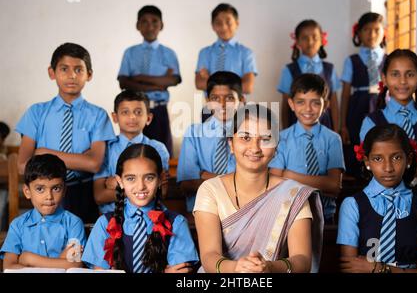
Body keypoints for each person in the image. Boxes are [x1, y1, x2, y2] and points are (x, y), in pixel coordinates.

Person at [194, 104, 324, 273]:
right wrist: (237, 268)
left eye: (265, 139)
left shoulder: (293, 194)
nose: (255, 148)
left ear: (276, 147)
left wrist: (269, 267)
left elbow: (302, 260)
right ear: (231, 144)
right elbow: (209, 255)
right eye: (245, 138)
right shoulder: (210, 190)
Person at [16, 43, 115, 223]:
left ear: (89, 74)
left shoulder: (98, 115)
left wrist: (43, 153)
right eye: (64, 69)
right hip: (45, 192)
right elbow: (23, 165)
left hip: (83, 193)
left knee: (80, 246)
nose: (72, 75)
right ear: (51, 72)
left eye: (79, 69)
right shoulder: (36, 113)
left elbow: (94, 164)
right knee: (47, 245)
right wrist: (79, 159)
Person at [360, 49, 417, 224]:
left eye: (409, 74)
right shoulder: (371, 121)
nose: (402, 81)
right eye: (395, 74)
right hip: (382, 200)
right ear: (384, 79)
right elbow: (369, 166)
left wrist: (395, 166)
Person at [337, 124, 417, 273]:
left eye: (397, 157)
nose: (388, 168)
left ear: (409, 159)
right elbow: (350, 268)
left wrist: (379, 268)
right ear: (367, 162)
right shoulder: (352, 206)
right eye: (378, 158)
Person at [82, 144, 198, 273]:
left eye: (149, 178)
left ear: (160, 179)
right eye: (131, 178)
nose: (141, 186)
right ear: (120, 181)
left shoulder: (176, 223)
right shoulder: (104, 224)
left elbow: (181, 272)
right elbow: (100, 271)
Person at [270, 74, 344, 224]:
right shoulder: (281, 139)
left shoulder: (333, 139)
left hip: (325, 216)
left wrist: (290, 175)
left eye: (315, 103)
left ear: (326, 104)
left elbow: (334, 186)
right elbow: (275, 182)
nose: (308, 109)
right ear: (291, 104)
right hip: (289, 215)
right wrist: (322, 183)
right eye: (300, 102)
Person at [1, 154, 86, 269]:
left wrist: (28, 259)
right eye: (40, 189)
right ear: (27, 191)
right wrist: (61, 260)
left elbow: (75, 264)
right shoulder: (17, 225)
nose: (49, 196)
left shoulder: (74, 223)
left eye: (56, 188)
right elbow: (8, 267)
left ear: (64, 190)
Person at [118, 5, 181, 156]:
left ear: (162, 25)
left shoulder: (168, 53)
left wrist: (140, 79)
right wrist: (159, 84)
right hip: (135, 111)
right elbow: (124, 82)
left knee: (162, 154)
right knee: (133, 154)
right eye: (144, 22)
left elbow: (174, 80)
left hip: (158, 111)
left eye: (154, 22)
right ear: (137, 25)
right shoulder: (130, 52)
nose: (150, 26)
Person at [93, 90, 170, 214]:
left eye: (138, 112)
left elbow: (162, 192)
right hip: (111, 218)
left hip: (150, 216)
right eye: (125, 112)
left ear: (149, 118)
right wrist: (144, 190)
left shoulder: (159, 148)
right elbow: (100, 196)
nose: (132, 117)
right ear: (115, 117)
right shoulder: (106, 148)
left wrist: (118, 184)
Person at [177, 71, 243, 212]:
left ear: (242, 100)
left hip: (241, 211)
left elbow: (252, 183)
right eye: (215, 98)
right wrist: (234, 181)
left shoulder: (250, 134)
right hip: (202, 209)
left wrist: (203, 174)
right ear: (207, 101)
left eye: (230, 98)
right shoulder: (194, 133)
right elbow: (186, 184)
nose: (222, 104)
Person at [340, 12, 386, 176]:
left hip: (382, 104)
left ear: (383, 32)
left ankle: (381, 173)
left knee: (382, 140)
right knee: (358, 141)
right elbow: (345, 94)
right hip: (358, 105)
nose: (372, 34)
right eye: (366, 29)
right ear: (358, 33)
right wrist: (342, 124)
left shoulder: (389, 59)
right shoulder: (351, 60)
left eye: (376, 30)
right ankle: (360, 177)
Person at [195, 3, 257, 121]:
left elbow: (248, 87)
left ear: (237, 23)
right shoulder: (205, 52)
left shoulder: (246, 53)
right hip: (211, 110)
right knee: (209, 139)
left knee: (237, 139)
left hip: (237, 110)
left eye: (228, 22)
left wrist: (210, 79)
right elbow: (199, 83)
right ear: (212, 26)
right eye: (218, 23)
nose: (223, 27)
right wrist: (237, 83)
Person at [278, 19, 340, 131]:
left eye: (314, 37)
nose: (310, 42)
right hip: (297, 126)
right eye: (305, 38)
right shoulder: (289, 70)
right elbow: (285, 106)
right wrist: (286, 131)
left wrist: (336, 131)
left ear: (322, 39)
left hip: (325, 125)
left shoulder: (329, 69)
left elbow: (334, 103)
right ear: (297, 41)